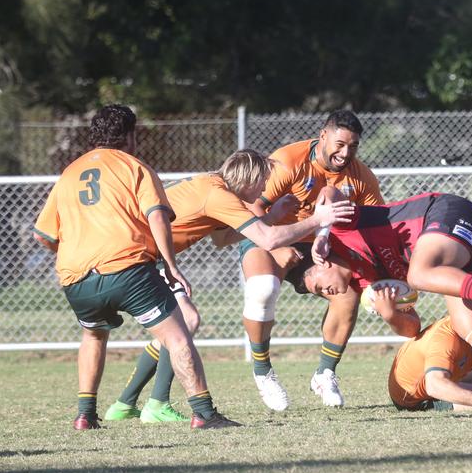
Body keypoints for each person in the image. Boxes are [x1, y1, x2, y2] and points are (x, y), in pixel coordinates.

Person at [103, 149, 354, 420]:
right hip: (134, 256)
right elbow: (268, 241)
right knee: (185, 322)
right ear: (249, 179)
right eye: (262, 182)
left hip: (132, 252)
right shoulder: (218, 195)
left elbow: (222, 240)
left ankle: (125, 403)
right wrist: (317, 220)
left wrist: (270, 216)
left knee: (176, 325)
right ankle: (157, 404)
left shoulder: (212, 184)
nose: (263, 190)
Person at [32, 104, 240, 431]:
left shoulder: (69, 173)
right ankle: (204, 413)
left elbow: (43, 235)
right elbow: (157, 215)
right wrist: (171, 266)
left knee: (93, 335)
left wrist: (75, 251)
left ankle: (85, 415)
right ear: (130, 135)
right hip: (127, 270)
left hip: (77, 280)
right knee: (178, 334)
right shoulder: (135, 167)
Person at [299, 190, 472, 411]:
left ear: (323, 261)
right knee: (470, 325)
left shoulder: (340, 233)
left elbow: (330, 191)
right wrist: (390, 314)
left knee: (418, 274)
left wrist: (322, 231)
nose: (325, 292)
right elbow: (413, 328)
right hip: (470, 240)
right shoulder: (368, 285)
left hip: (448, 213)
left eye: (318, 287)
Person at [244, 110, 384, 408]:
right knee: (263, 290)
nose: (345, 153)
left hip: (317, 247)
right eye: (340, 143)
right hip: (268, 234)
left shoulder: (361, 177)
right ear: (323, 135)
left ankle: (325, 373)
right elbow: (252, 207)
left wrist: (378, 278)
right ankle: (262, 371)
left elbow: (378, 226)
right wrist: (277, 245)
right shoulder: (289, 160)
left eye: (354, 146)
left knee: (347, 294)